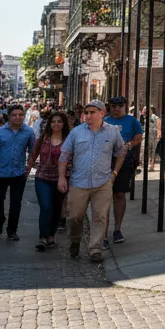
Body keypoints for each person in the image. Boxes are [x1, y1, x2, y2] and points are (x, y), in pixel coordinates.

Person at [58, 99, 127, 263]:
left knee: (100, 216)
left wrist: (114, 173)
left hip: (102, 182)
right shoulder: (76, 132)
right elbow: (64, 155)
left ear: (102, 113)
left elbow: (121, 151)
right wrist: (61, 177)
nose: (88, 116)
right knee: (75, 216)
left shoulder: (112, 132)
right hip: (78, 182)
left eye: (92, 112)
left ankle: (95, 248)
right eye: (86, 113)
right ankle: (75, 240)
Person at [0, 104, 36, 240]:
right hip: (0, 173)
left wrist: (29, 167)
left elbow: (33, 152)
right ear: (8, 116)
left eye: (20, 115)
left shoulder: (28, 132)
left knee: (16, 202)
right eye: (14, 115)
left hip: (18, 173)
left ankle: (12, 230)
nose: (17, 117)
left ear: (24, 116)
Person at [27, 111, 69, 251]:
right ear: (49, 124)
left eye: (59, 121)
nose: (56, 124)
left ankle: (51, 234)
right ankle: (43, 237)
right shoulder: (43, 139)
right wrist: (28, 170)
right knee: (46, 207)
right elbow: (33, 156)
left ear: (64, 124)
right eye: (53, 122)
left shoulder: (69, 140)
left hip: (61, 179)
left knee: (57, 208)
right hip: (42, 177)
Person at [104, 96, 143, 245]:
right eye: (114, 106)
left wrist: (129, 145)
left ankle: (117, 229)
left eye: (120, 106)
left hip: (125, 160)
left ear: (125, 107)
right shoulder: (105, 121)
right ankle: (104, 234)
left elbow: (139, 137)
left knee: (119, 194)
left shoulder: (132, 121)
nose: (117, 108)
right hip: (106, 160)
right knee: (105, 196)